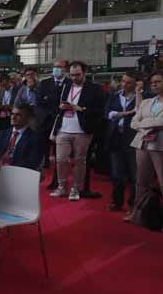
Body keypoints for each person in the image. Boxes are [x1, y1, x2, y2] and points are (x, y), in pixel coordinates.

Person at [126, 70, 163, 232]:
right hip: (142, 143)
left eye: (158, 82)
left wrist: (145, 122)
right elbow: (133, 122)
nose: (154, 85)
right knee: (140, 182)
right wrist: (148, 123)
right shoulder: (146, 102)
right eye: (152, 83)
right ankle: (138, 214)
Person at [50, 61, 104, 201]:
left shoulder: (94, 88)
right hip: (63, 128)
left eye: (78, 75)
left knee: (80, 160)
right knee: (61, 159)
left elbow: (100, 110)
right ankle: (61, 186)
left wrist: (80, 109)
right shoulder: (65, 86)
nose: (74, 77)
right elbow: (57, 105)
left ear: (84, 73)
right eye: (72, 75)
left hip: (82, 130)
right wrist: (62, 107)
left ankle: (76, 188)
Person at [105, 72, 141, 212]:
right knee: (116, 173)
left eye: (129, 82)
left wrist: (139, 93)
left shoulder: (143, 96)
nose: (124, 84)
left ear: (136, 83)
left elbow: (139, 112)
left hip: (133, 138)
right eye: (123, 81)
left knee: (134, 174)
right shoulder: (114, 95)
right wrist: (125, 113)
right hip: (115, 138)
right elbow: (108, 113)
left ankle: (133, 203)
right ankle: (116, 202)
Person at [37, 59, 71, 189]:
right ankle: (37, 178)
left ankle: (57, 180)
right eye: (55, 67)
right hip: (45, 124)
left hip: (63, 123)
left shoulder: (70, 84)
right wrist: (48, 116)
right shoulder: (44, 84)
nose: (57, 69)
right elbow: (38, 104)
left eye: (60, 67)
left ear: (66, 70)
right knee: (40, 152)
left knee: (59, 155)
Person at [0, 103, 44, 171]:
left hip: (19, 175)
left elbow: (32, 163)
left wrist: (9, 169)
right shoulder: (2, 134)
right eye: (12, 114)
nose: (13, 117)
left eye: (18, 115)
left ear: (27, 118)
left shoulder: (36, 138)